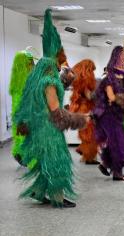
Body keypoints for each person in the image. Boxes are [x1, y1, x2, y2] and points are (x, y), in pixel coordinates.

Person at [14, 9, 89, 208]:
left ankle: (39, 192)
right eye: (61, 62)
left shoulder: (39, 77)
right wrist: (80, 119)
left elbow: (48, 98)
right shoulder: (49, 81)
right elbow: (56, 110)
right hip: (49, 129)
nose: (62, 65)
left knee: (45, 162)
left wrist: (66, 80)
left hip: (39, 126)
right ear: (56, 60)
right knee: (58, 162)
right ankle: (57, 197)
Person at [94, 37, 124, 181]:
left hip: (117, 115)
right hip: (108, 116)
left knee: (115, 141)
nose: (123, 63)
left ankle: (105, 164)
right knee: (119, 141)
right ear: (114, 60)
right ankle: (117, 173)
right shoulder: (109, 79)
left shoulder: (122, 79)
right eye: (120, 60)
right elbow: (112, 98)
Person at [70, 59, 99, 164]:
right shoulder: (86, 82)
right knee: (90, 134)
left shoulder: (79, 82)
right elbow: (89, 96)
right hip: (86, 109)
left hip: (81, 109)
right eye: (92, 70)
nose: (93, 73)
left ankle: (85, 155)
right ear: (88, 70)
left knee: (85, 134)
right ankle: (88, 156)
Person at [8, 50, 35, 165]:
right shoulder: (19, 85)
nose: (32, 65)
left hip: (28, 114)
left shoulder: (27, 80)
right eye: (30, 63)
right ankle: (25, 157)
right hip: (23, 116)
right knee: (24, 136)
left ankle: (20, 154)